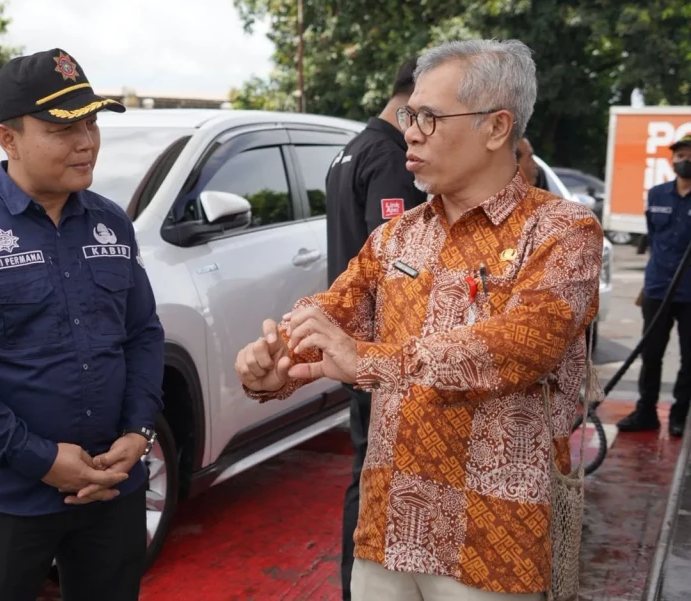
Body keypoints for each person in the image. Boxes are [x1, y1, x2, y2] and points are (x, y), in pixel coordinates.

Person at [235, 38, 602, 600]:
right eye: (409, 116)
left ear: (496, 127)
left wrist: (367, 359)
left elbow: (523, 345)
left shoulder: (560, 231)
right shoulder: (397, 235)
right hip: (387, 532)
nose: (410, 132)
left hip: (490, 543)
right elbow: (335, 310)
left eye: (430, 117)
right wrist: (277, 362)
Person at [0, 48, 164, 601]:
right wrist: (41, 460)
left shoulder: (111, 223)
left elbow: (143, 334)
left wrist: (137, 433)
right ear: (8, 139)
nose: (86, 142)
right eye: (62, 129)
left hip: (112, 489)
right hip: (7, 498)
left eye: (91, 124)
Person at [323, 55, 427, 599]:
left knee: (366, 470)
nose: (425, 131)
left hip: (357, 343)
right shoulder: (389, 158)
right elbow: (399, 266)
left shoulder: (352, 148)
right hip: (376, 350)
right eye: (427, 113)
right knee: (372, 478)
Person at [617, 135, 691, 437]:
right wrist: (647, 286)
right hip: (658, 288)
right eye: (680, 155)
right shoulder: (658, 194)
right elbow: (654, 239)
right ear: (672, 160)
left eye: (689, 155)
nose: (684, 161)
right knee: (650, 354)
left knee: (689, 358)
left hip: (690, 294)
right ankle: (646, 412)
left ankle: (679, 415)